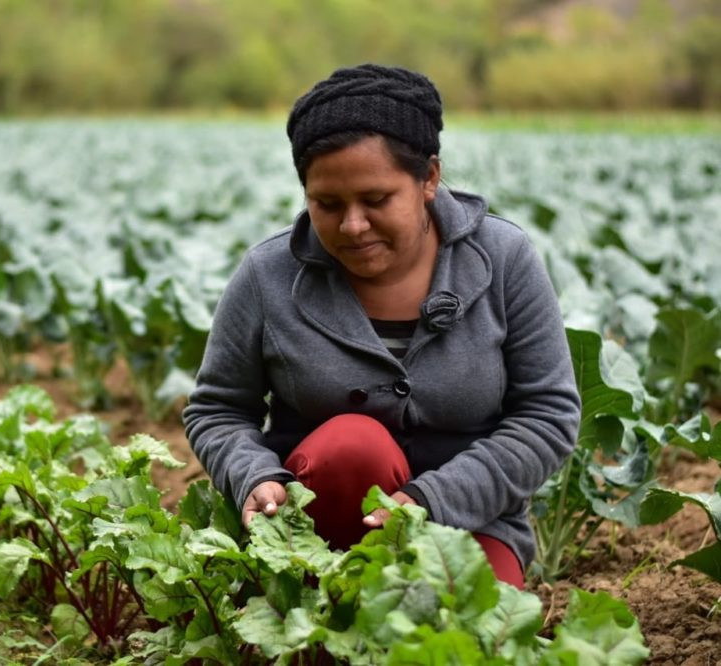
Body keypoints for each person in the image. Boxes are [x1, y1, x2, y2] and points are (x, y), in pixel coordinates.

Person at [182, 64, 581, 589]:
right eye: (327, 204)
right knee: (354, 445)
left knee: (470, 631)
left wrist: (431, 501)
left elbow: (547, 415)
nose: (352, 225)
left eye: (375, 200)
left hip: (466, 528)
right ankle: (313, 596)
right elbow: (217, 409)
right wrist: (254, 475)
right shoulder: (267, 275)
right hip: (310, 530)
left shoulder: (503, 260)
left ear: (429, 179)